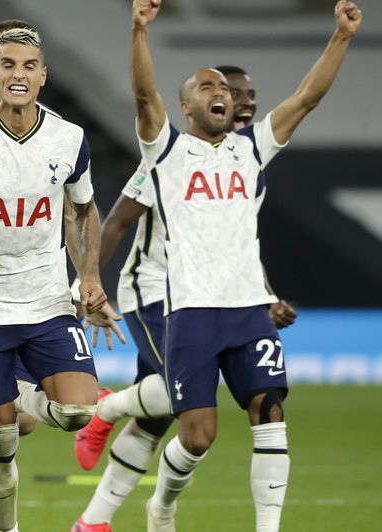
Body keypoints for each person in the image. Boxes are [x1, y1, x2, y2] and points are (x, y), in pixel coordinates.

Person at [126, 1, 360, 530]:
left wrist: (342, 37)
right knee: (197, 437)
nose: (222, 95)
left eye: (226, 91)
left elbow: (308, 97)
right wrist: (139, 31)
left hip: (248, 310)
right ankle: (162, 503)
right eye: (208, 88)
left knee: (270, 412)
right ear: (185, 106)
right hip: (190, 313)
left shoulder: (251, 149)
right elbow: (143, 94)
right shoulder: (165, 153)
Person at [70, 65, 298, 532]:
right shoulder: (167, 157)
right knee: (179, 399)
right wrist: (85, 283)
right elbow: (114, 222)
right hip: (154, 289)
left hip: (216, 295)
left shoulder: (248, 161)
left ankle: (94, 521)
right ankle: (105, 409)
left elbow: (240, 244)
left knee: (160, 418)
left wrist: (265, 294)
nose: (245, 102)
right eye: (235, 93)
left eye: (249, 95)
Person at [0, 27, 124, 532]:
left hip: (46, 301)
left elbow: (82, 211)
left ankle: (11, 391)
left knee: (77, 411)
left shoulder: (69, 138)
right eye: (8, 65)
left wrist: (91, 280)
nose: (19, 75)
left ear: (43, 75)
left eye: (29, 66)